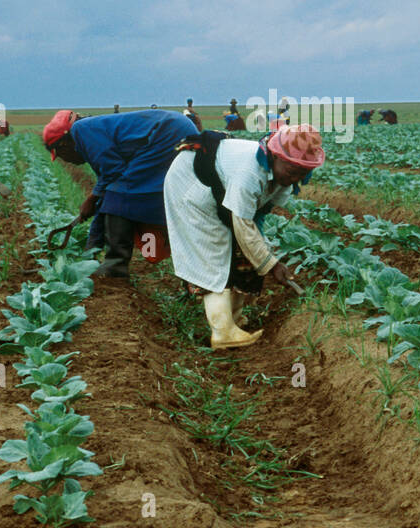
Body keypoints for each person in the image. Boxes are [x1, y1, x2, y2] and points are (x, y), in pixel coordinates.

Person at [164, 124, 323, 348]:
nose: (295, 177)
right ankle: (222, 332)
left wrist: (263, 256)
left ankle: (234, 319)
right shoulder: (249, 172)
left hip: (218, 188)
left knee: (242, 253)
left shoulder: (284, 179)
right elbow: (242, 223)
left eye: (302, 172)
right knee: (214, 253)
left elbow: (257, 218)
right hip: (191, 182)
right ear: (275, 157)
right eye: (291, 170)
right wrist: (270, 264)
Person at [43, 108, 198, 278]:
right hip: (175, 129)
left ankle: (115, 266)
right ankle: (108, 259)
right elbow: (108, 187)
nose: (66, 160)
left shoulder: (82, 131)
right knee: (117, 193)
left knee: (122, 193)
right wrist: (90, 249)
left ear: (63, 144)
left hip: (168, 133)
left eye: (61, 155)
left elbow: (112, 173)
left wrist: (91, 198)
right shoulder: (89, 132)